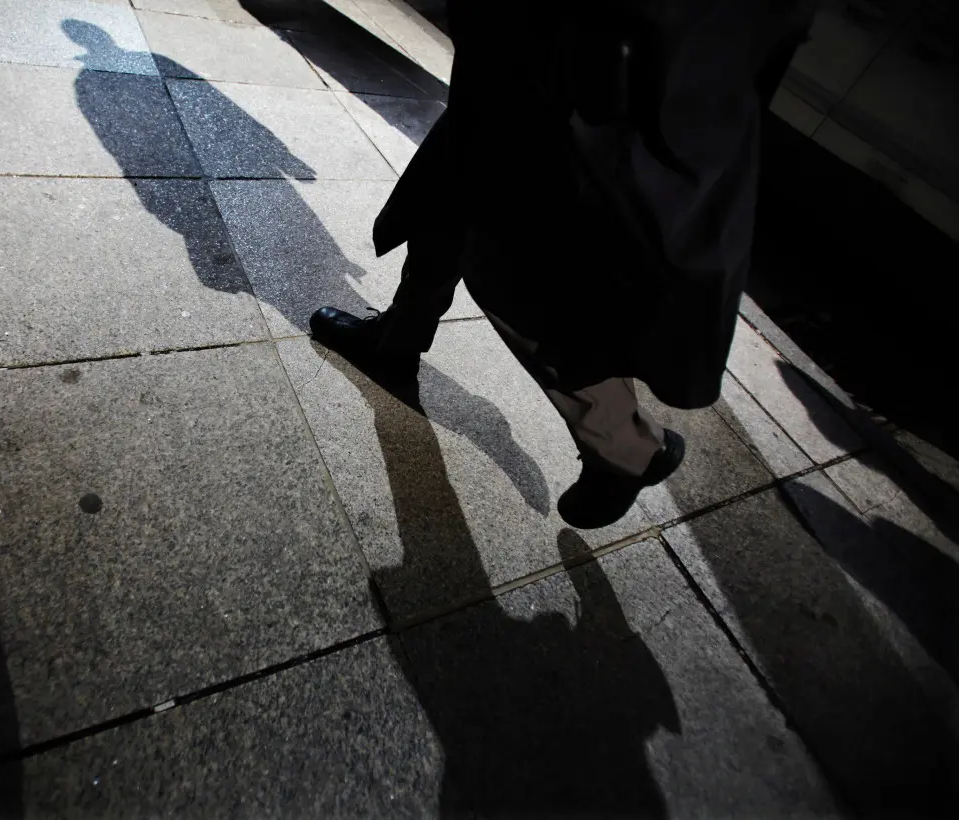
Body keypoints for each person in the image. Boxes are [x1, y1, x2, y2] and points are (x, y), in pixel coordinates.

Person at [311, 1, 818, 528]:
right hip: (580, 44)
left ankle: (625, 444)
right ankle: (401, 334)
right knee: (464, 171)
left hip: (591, 45)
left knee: (517, 247)